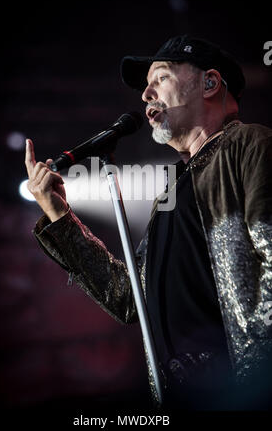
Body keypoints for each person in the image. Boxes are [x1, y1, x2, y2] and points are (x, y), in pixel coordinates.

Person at [25, 34, 272, 410]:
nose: (145, 95)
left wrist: (255, 380)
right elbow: (128, 299)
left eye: (160, 78)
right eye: (146, 87)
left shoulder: (251, 147)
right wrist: (60, 214)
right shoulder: (170, 195)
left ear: (209, 83)